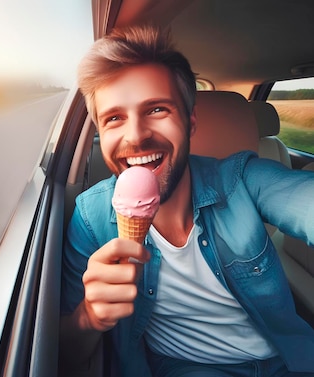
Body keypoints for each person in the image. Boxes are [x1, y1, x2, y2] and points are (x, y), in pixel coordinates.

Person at [59, 24, 314, 376]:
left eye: (157, 110)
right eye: (115, 118)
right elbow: (64, 353)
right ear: (101, 133)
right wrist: (88, 317)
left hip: (291, 360)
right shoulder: (90, 218)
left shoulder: (244, 179)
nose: (136, 135)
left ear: (189, 122)